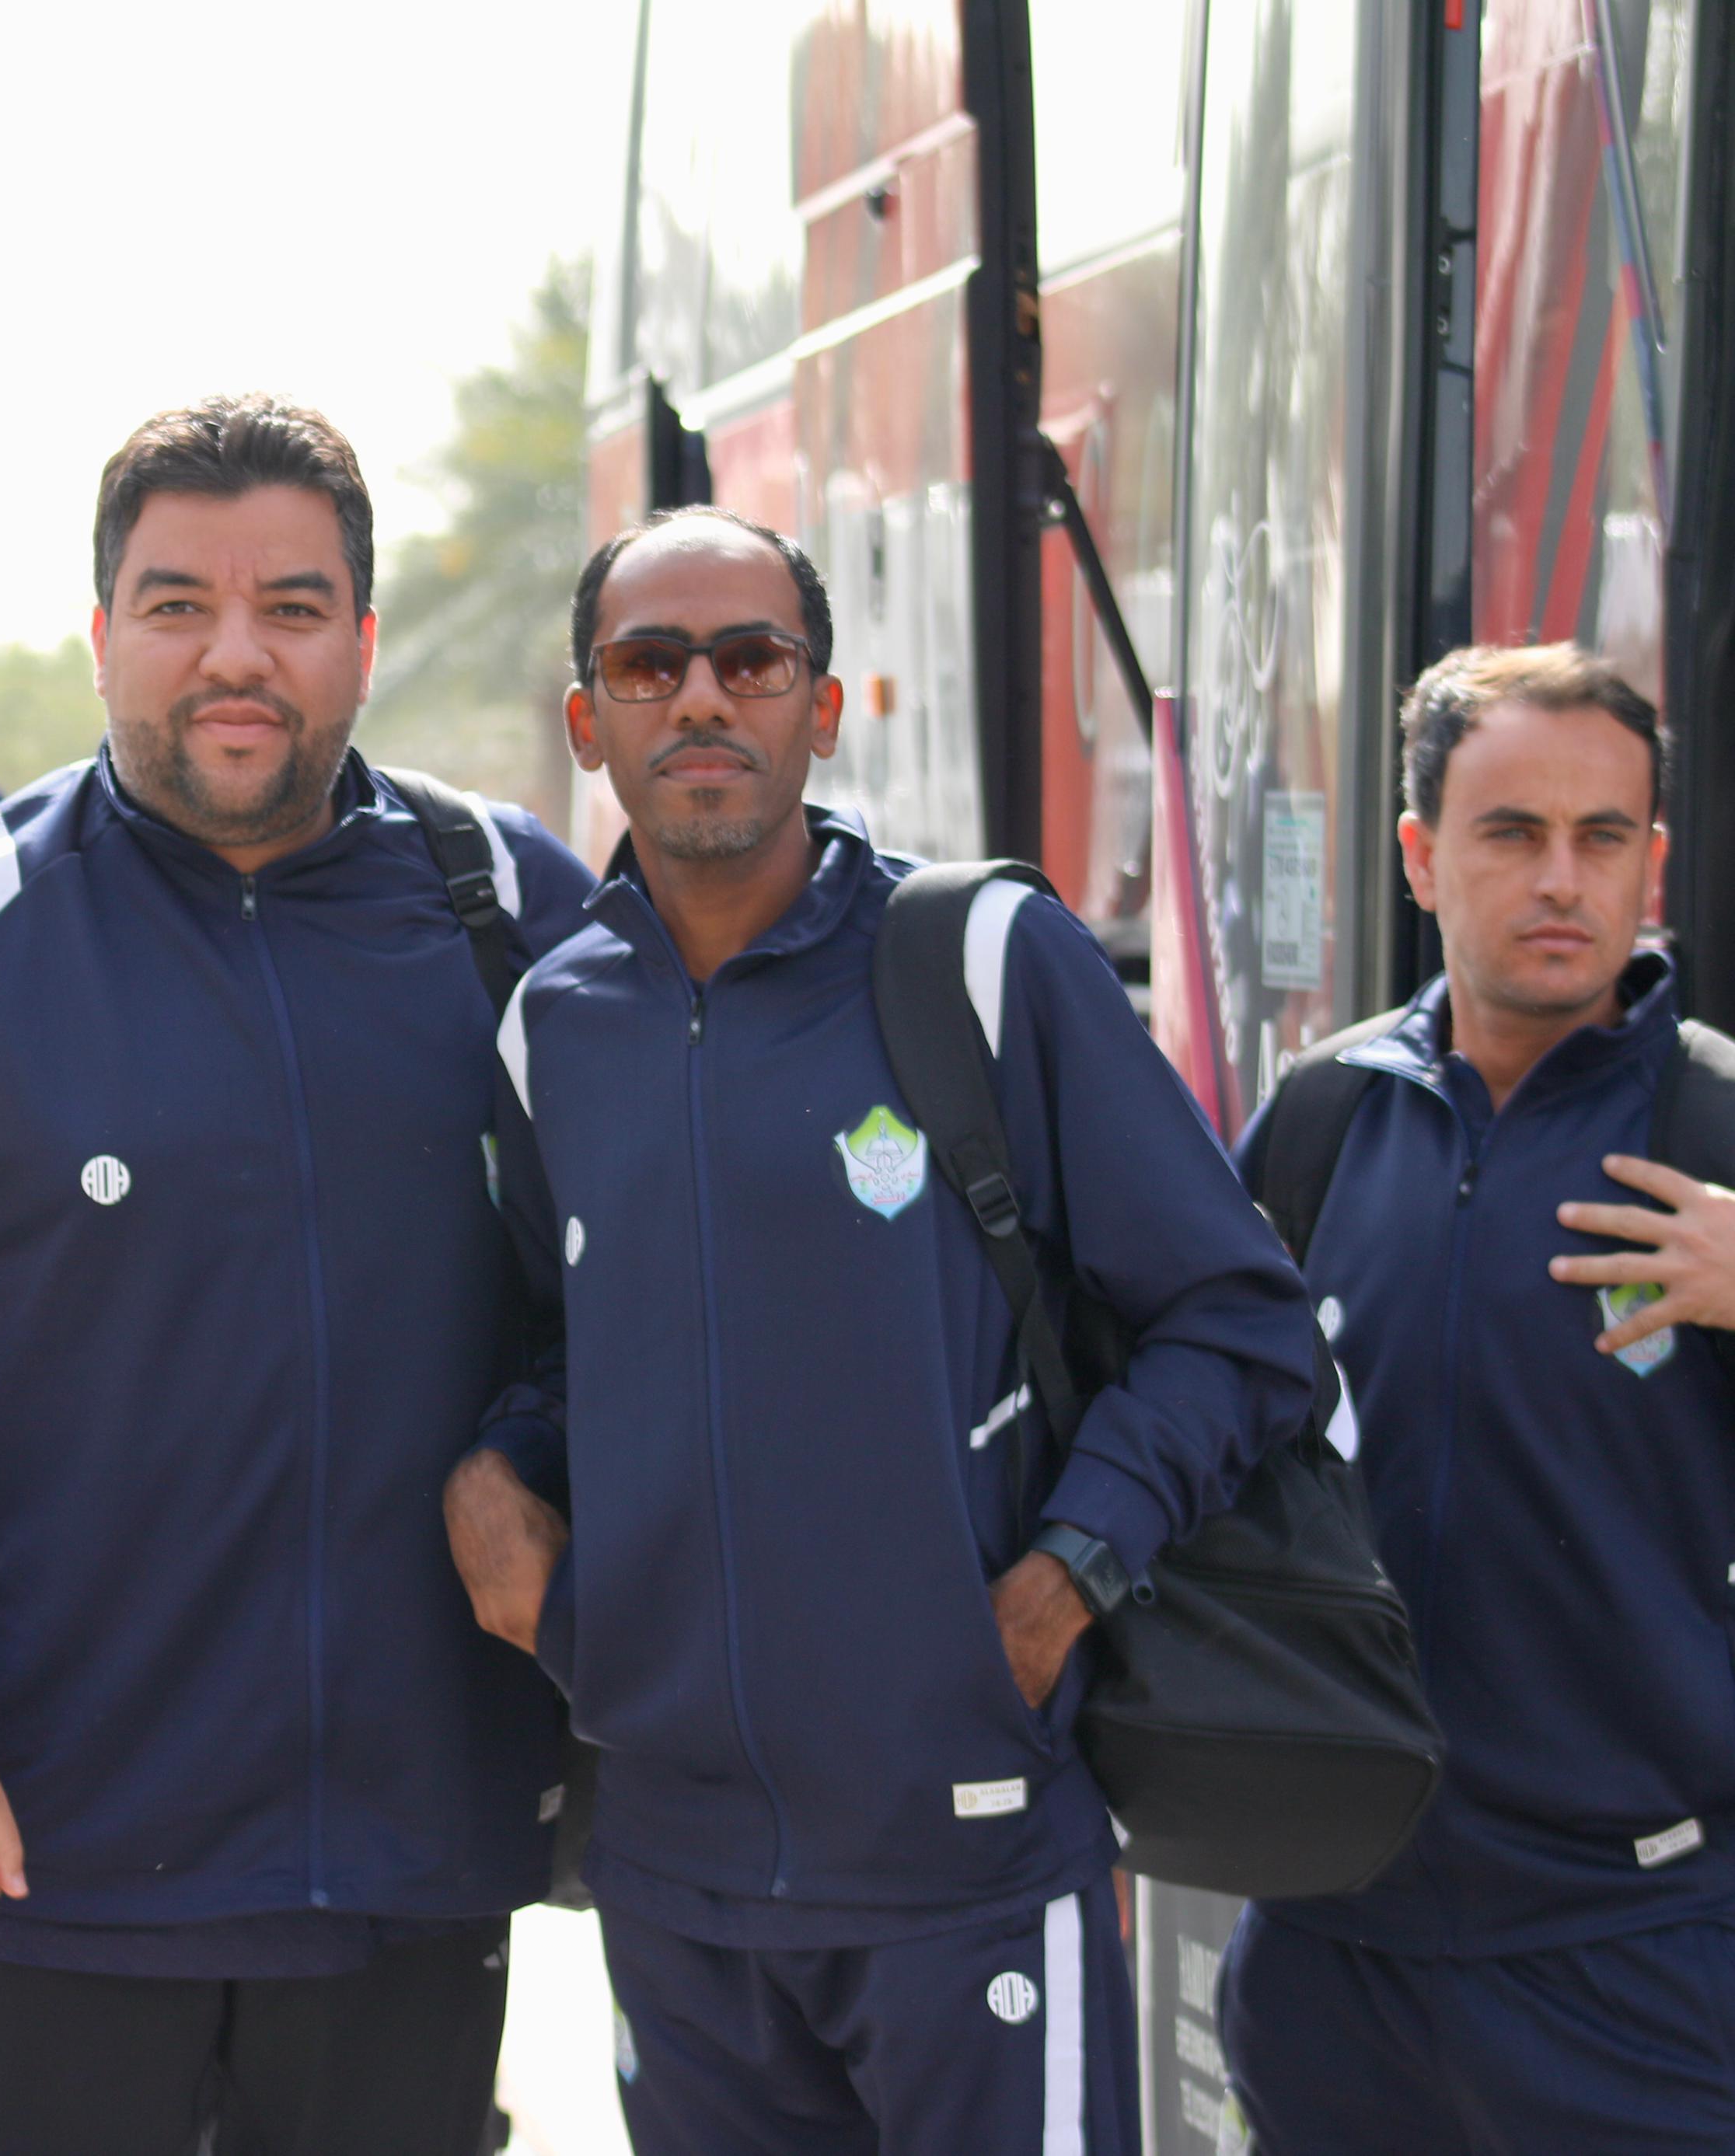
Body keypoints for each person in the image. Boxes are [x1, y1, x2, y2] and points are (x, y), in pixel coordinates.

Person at [0, 394, 595, 2156]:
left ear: (364, 638)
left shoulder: (509, 909)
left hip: (411, 1849)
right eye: (179, 603)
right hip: (45, 1847)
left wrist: (531, 1465)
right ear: (103, 632)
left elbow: (653, 1286)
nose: (235, 655)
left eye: (292, 606)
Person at [442, 506, 1317, 2154]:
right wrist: (499, 1474)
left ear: (824, 707)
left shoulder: (982, 961)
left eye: (752, 658)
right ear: (588, 721)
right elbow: (566, 1352)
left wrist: (1066, 1577)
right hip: (676, 1884)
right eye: (649, 663)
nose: (704, 696)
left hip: (965, 1860)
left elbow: (1241, 1323)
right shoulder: (552, 1022)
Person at [1215, 643, 1735, 2154]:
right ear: (1420, 856)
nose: (1562, 880)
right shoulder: (1320, 1124)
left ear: (1654, 860)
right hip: (1330, 1960)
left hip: (1642, 1970)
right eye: (1512, 833)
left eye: (1604, 837)